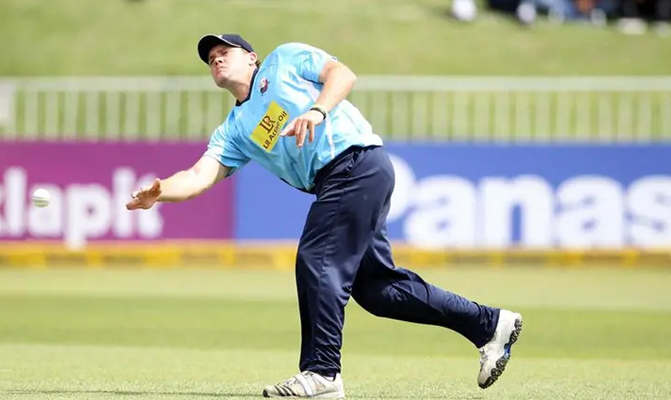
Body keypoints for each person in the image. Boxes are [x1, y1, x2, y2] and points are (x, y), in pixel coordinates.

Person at [126, 34, 523, 399]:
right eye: (210, 59)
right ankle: (488, 324)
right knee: (377, 290)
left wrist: (317, 111)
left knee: (317, 260)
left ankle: (322, 374)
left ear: (251, 57)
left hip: (355, 163)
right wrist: (160, 192)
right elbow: (198, 176)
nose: (215, 60)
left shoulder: (283, 60)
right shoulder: (235, 129)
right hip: (344, 178)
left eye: (223, 52)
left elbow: (341, 74)